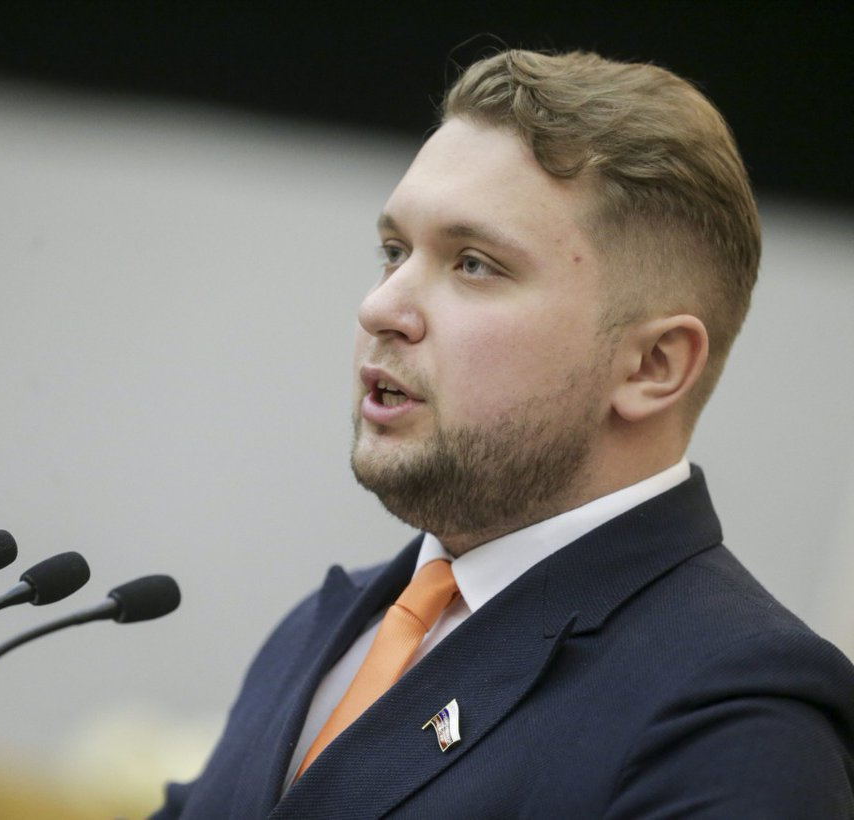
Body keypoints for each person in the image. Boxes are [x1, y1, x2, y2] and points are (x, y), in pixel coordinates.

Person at [153, 49, 854, 818]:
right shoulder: (323, 629)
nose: (381, 308)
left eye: (474, 264)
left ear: (652, 366)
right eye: (394, 251)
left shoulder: (735, 717)